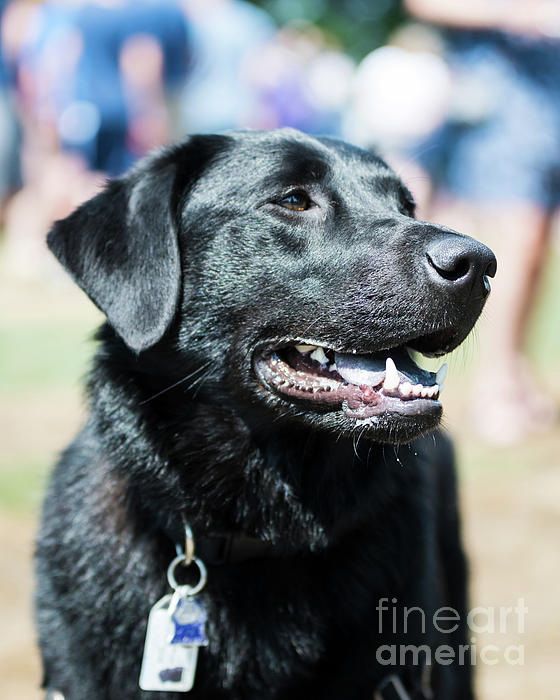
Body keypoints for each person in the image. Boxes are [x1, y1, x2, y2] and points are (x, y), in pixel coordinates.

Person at [405, 0, 560, 444]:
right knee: (520, 238)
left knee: (538, 251)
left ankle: (515, 369)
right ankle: (496, 389)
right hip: (507, 103)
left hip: (550, 100)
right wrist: (519, 11)